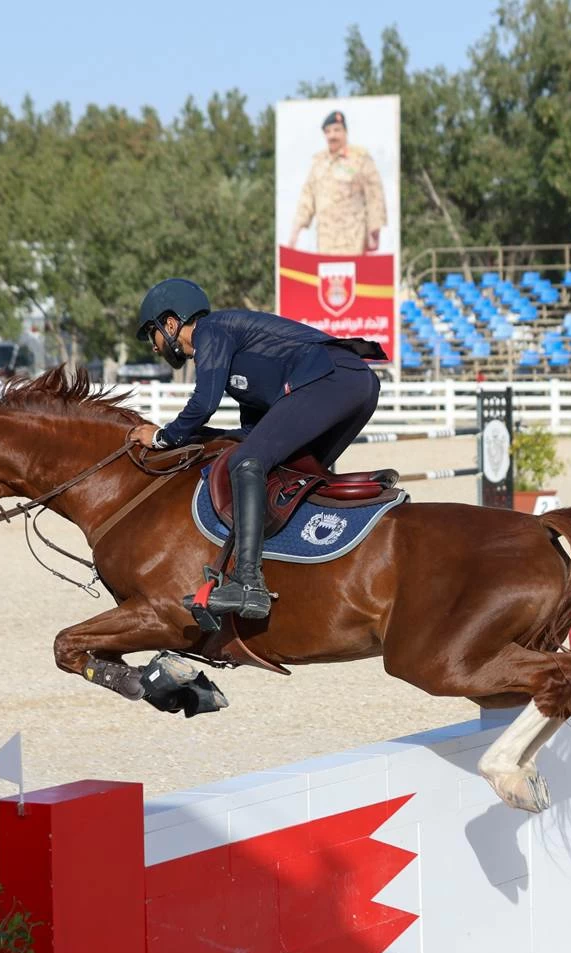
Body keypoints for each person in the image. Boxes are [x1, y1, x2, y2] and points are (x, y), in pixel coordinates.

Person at [130, 278, 384, 619]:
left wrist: (164, 437)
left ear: (172, 323)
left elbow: (204, 402)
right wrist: (205, 436)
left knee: (247, 462)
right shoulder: (240, 357)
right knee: (290, 472)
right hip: (355, 382)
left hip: (332, 377)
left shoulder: (211, 331)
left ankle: (247, 582)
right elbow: (252, 431)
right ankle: (309, 570)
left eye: (153, 333)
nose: (155, 346)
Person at [288, 110, 387, 255]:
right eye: (328, 132)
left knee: (352, 277)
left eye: (337, 130)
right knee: (328, 276)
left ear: (345, 132)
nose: (332, 136)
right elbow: (307, 197)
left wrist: (374, 230)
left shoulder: (360, 159)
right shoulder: (319, 163)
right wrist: (296, 230)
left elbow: (375, 194)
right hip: (326, 241)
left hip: (353, 240)